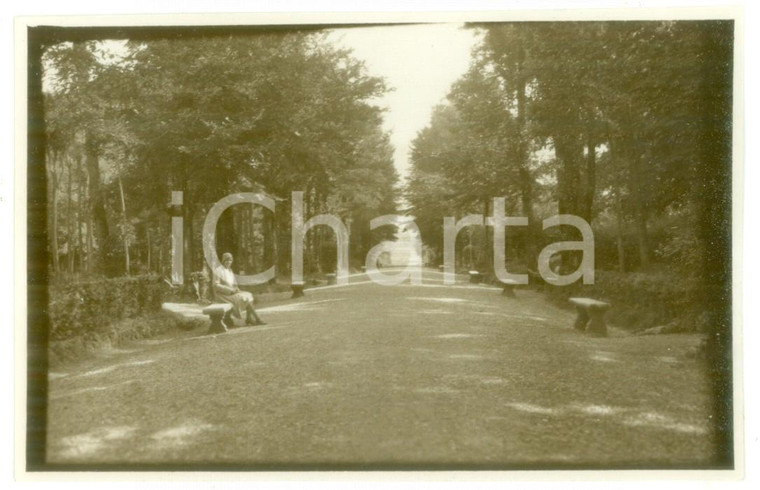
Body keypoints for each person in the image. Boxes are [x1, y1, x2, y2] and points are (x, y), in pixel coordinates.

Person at [213, 252, 265, 327]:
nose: (228, 262)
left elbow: (234, 284)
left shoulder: (229, 270)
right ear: (223, 261)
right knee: (244, 298)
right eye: (226, 260)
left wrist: (237, 289)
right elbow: (216, 285)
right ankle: (257, 319)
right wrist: (230, 290)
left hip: (232, 293)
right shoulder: (218, 270)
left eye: (230, 260)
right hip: (223, 295)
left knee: (249, 294)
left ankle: (249, 318)